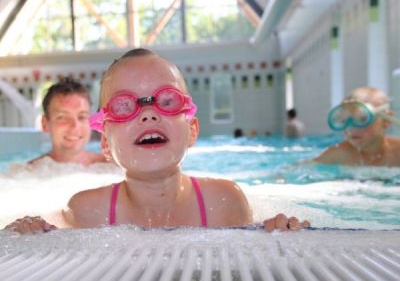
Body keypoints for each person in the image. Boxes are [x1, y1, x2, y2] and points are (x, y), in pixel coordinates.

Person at [4, 48, 309, 233]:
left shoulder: (225, 201)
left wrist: (281, 227)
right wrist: (28, 227)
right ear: (106, 143)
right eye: (125, 105)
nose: (148, 115)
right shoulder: (85, 210)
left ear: (192, 130)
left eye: (167, 100)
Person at [29, 78, 107, 166]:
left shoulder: (111, 169)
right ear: (45, 124)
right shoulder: (28, 174)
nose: (75, 126)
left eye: (82, 117)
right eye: (62, 117)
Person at [313, 86, 400, 166]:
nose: (351, 128)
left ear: (386, 121)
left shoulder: (397, 153)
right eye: (344, 121)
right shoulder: (340, 154)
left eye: (362, 120)